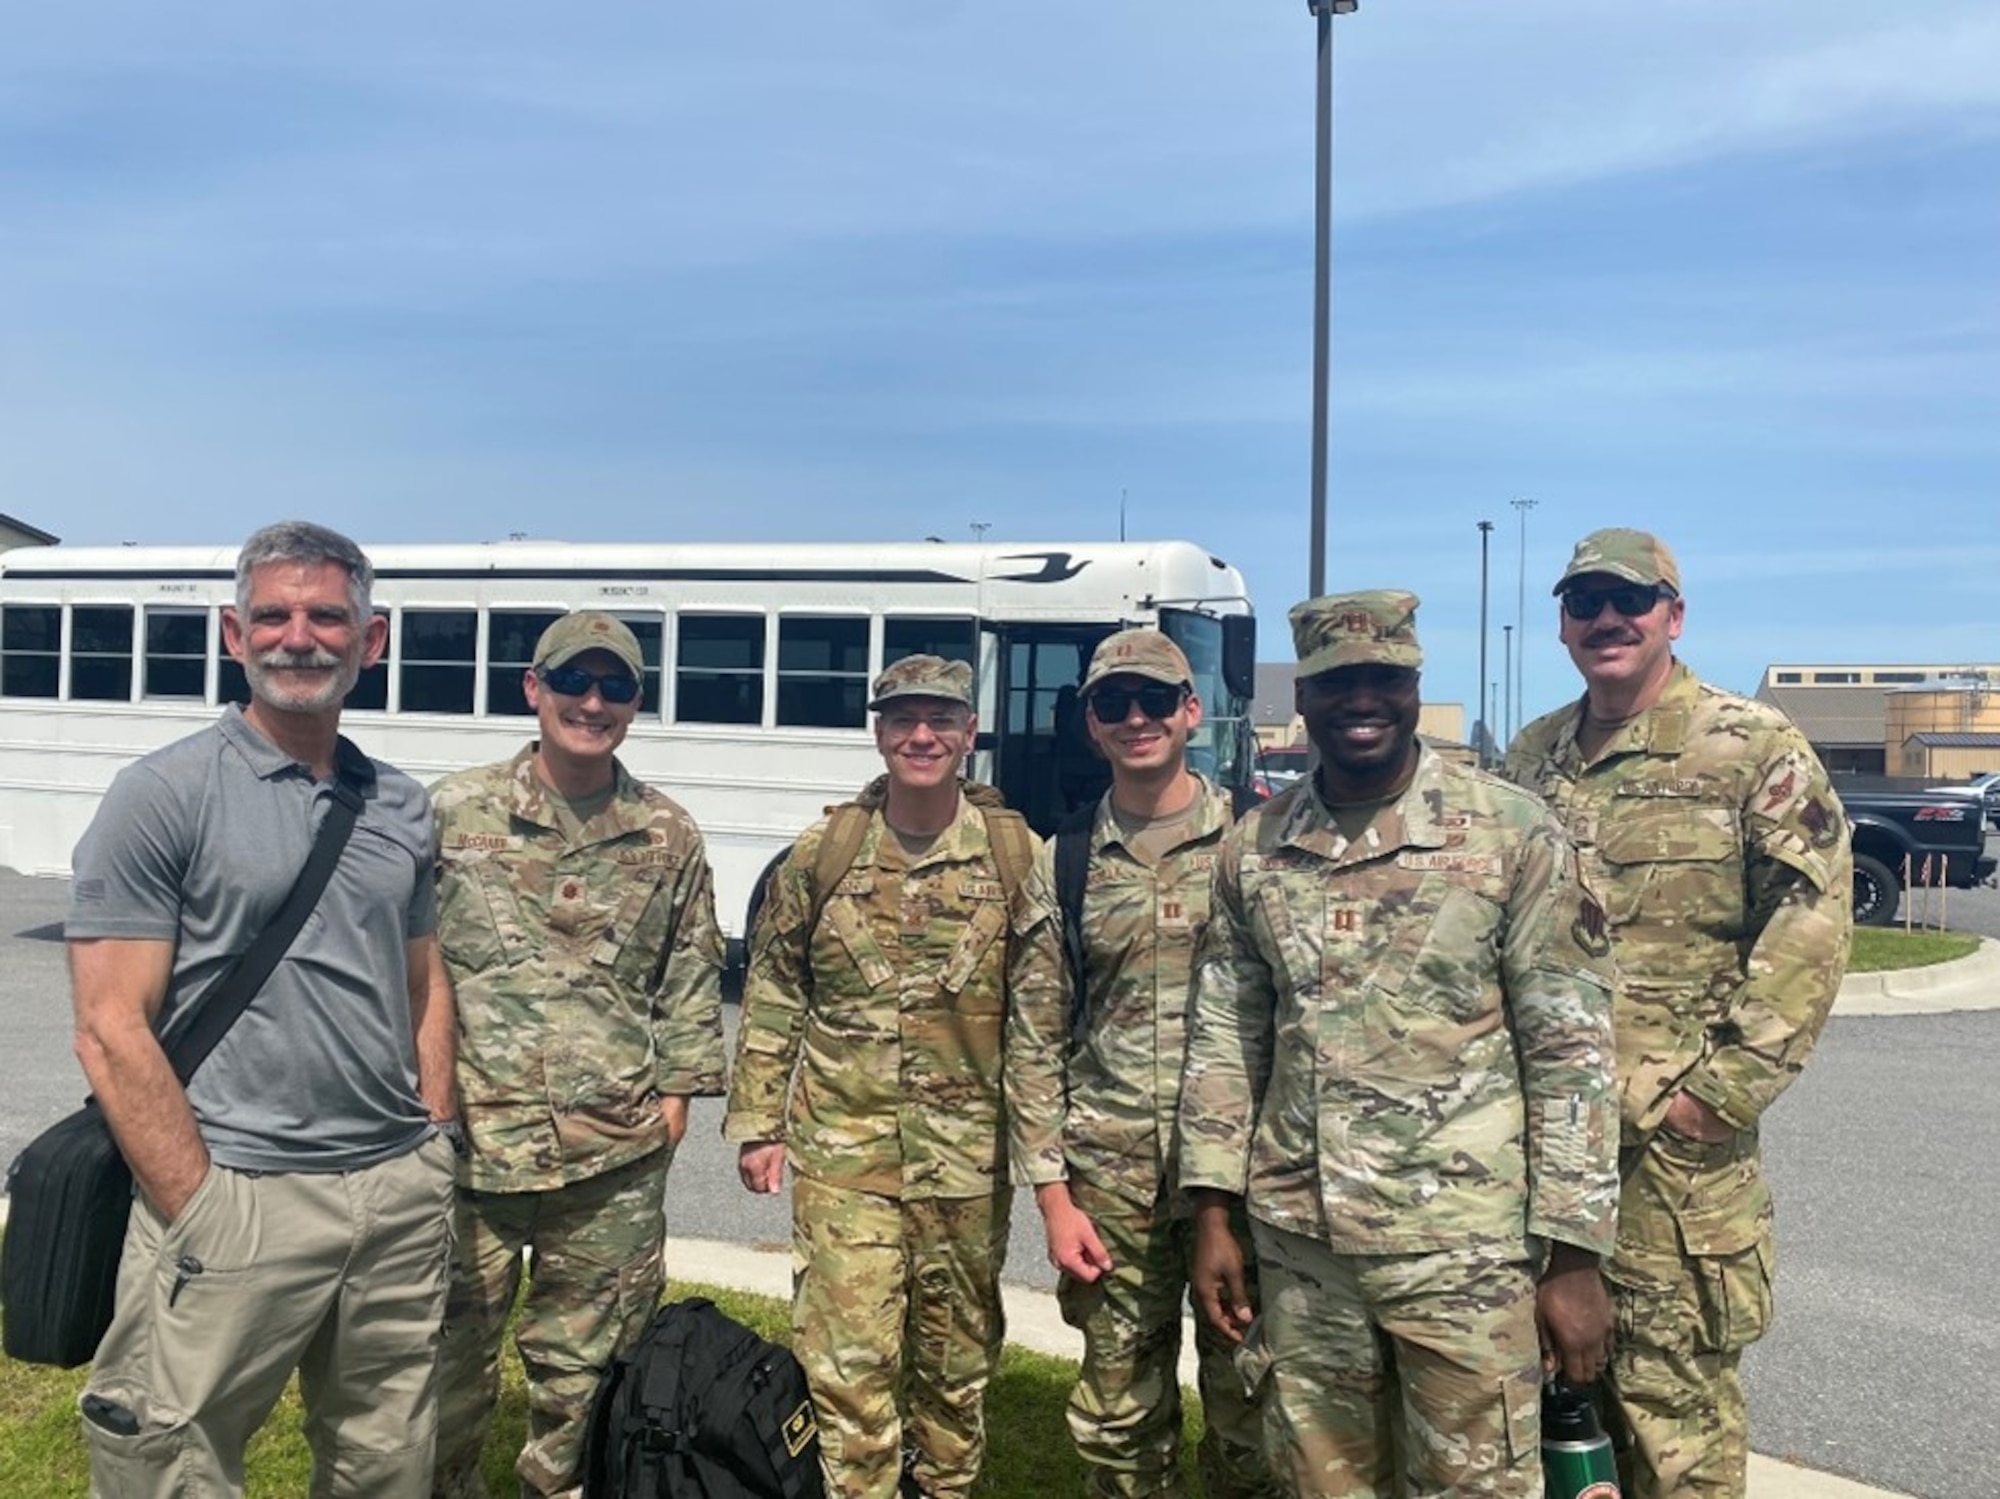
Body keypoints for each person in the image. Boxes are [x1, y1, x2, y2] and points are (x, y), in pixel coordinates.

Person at [1179, 590, 1622, 1499]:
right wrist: (1215, 1210)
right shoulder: (1255, 848)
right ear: (1304, 696)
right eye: (1338, 681)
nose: (1361, 698)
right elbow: (1226, 1035)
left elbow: (1571, 1052)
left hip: (1463, 1254)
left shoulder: (1512, 833)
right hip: (1303, 1252)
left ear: (1416, 684)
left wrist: (1575, 1256)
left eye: (1384, 677)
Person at [66, 520, 457, 1499]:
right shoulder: (162, 793)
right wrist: (197, 1200)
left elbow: (421, 978)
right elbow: (111, 1022)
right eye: (273, 616)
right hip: (237, 1186)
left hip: (392, 1195)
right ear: (235, 636)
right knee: (174, 1454)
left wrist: (433, 1138)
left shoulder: (400, 804)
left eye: (328, 615)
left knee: (386, 1452)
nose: (299, 636)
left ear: (372, 641)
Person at [1504, 529, 1853, 1499]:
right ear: (1563, 621)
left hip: (1671, 1170)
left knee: (1672, 1439)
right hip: (1539, 1160)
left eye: (1630, 598)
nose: (1605, 618)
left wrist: (1717, 1094)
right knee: (1548, 1434)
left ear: (1672, 614)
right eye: (1583, 601)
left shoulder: (1749, 746)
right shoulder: (1533, 757)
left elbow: (1810, 919)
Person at [723, 654, 1049, 1499]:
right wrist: (760, 1122)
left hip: (968, 1168)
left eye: (942, 718)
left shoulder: (1016, 857)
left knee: (955, 1371)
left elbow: (1041, 1021)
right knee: (848, 1372)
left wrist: (1049, 1165)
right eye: (903, 718)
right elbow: (775, 987)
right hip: (844, 1159)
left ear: (970, 732)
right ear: (878, 732)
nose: (922, 735)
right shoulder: (821, 854)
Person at [429, 612, 727, 1499]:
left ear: (636, 704)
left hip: (610, 1161)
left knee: (588, 1381)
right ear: (534, 687)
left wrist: (676, 1097)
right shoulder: (452, 812)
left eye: (615, 687)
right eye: (573, 681)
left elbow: (689, 974)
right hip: (467, 1150)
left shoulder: (667, 833)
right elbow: (400, 965)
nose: (591, 703)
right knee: (439, 1364)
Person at [1004, 628, 1282, 1498]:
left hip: (1241, 1185)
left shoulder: (1258, 843)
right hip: (1110, 1190)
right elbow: (1036, 1034)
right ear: (1091, 723)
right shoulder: (1068, 861)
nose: (1136, 718)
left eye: (1155, 699)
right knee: (1121, 1424)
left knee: (1254, 1416)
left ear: (1191, 711)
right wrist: (1051, 1195)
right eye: (1113, 704)